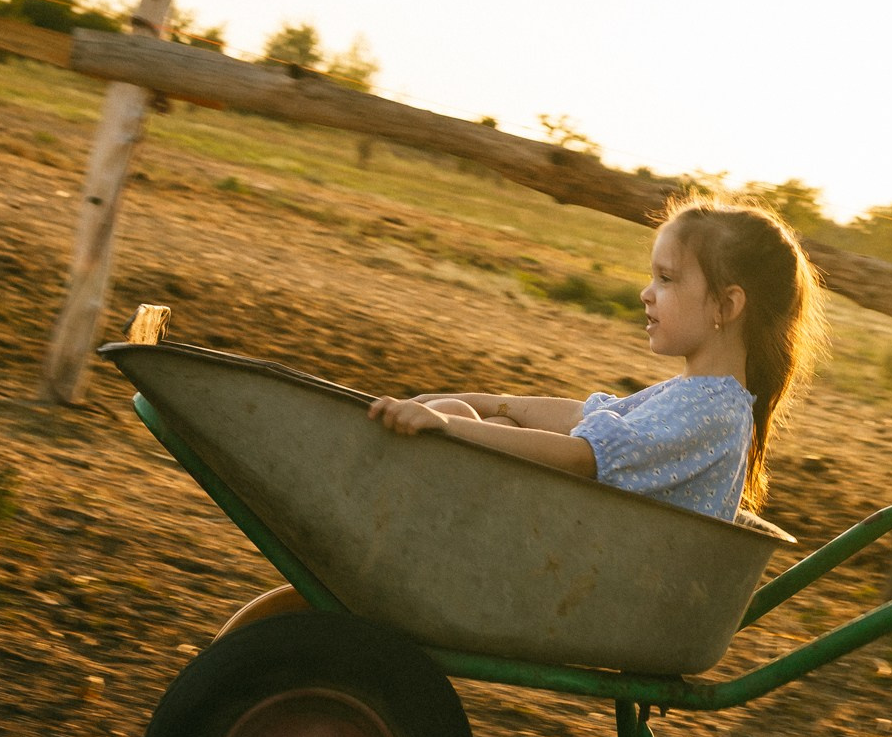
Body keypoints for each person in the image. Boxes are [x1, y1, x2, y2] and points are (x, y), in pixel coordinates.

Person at [216, 197, 824, 637]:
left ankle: (391, 546)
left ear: (726, 305)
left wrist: (455, 430)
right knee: (468, 419)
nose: (646, 293)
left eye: (666, 279)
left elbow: (585, 454)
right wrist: (487, 404)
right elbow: (589, 419)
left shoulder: (710, 414)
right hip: (599, 571)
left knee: (458, 429)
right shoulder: (699, 397)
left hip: (609, 595)